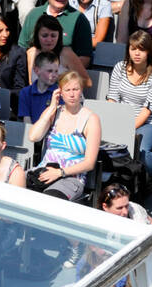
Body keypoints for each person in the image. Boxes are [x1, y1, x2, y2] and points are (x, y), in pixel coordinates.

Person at [105, 31, 152, 192]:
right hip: (120, 118)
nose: (136, 53)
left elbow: (147, 111)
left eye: (141, 49)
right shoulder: (119, 68)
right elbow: (112, 99)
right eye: (133, 49)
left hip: (148, 123)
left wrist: (127, 130)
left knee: (141, 151)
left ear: (149, 52)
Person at [27, 70, 102, 203]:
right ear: (60, 92)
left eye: (75, 89)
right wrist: (51, 108)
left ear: (81, 90)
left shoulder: (91, 119)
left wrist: (60, 172)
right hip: (44, 170)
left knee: (49, 201)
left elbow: (89, 163)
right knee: (15, 187)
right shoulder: (54, 112)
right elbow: (33, 137)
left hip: (71, 177)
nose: (72, 94)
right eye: (67, 90)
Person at [17, 0, 95, 70]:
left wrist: (61, 76)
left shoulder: (79, 19)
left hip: (64, 77)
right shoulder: (34, 15)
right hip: (33, 74)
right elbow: (22, 49)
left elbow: (85, 58)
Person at [17, 50, 61, 123]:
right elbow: (26, 120)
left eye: (56, 71)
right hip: (32, 131)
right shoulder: (25, 92)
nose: (54, 75)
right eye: (50, 71)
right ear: (37, 70)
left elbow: (59, 121)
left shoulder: (59, 92)